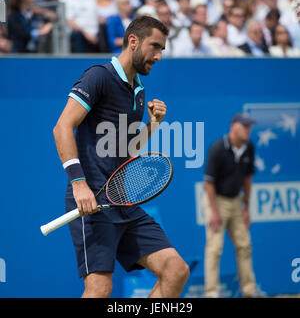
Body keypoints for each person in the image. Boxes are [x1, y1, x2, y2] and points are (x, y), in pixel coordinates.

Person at [52, 15, 190, 298]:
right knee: (99, 288)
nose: (159, 56)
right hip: (90, 200)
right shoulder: (99, 76)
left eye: (162, 49)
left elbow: (125, 151)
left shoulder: (138, 92)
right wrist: (79, 184)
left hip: (121, 200)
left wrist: (152, 125)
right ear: (133, 41)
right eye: (155, 46)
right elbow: (62, 127)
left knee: (176, 270)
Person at [202, 112, 259, 298]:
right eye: (245, 126)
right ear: (234, 127)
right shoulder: (218, 148)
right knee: (215, 248)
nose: (248, 130)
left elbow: (247, 178)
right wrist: (214, 212)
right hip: (215, 200)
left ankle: (249, 291)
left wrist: (246, 208)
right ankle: (212, 294)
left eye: (249, 126)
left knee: (244, 245)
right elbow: (208, 182)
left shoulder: (249, 147)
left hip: (236, 200)